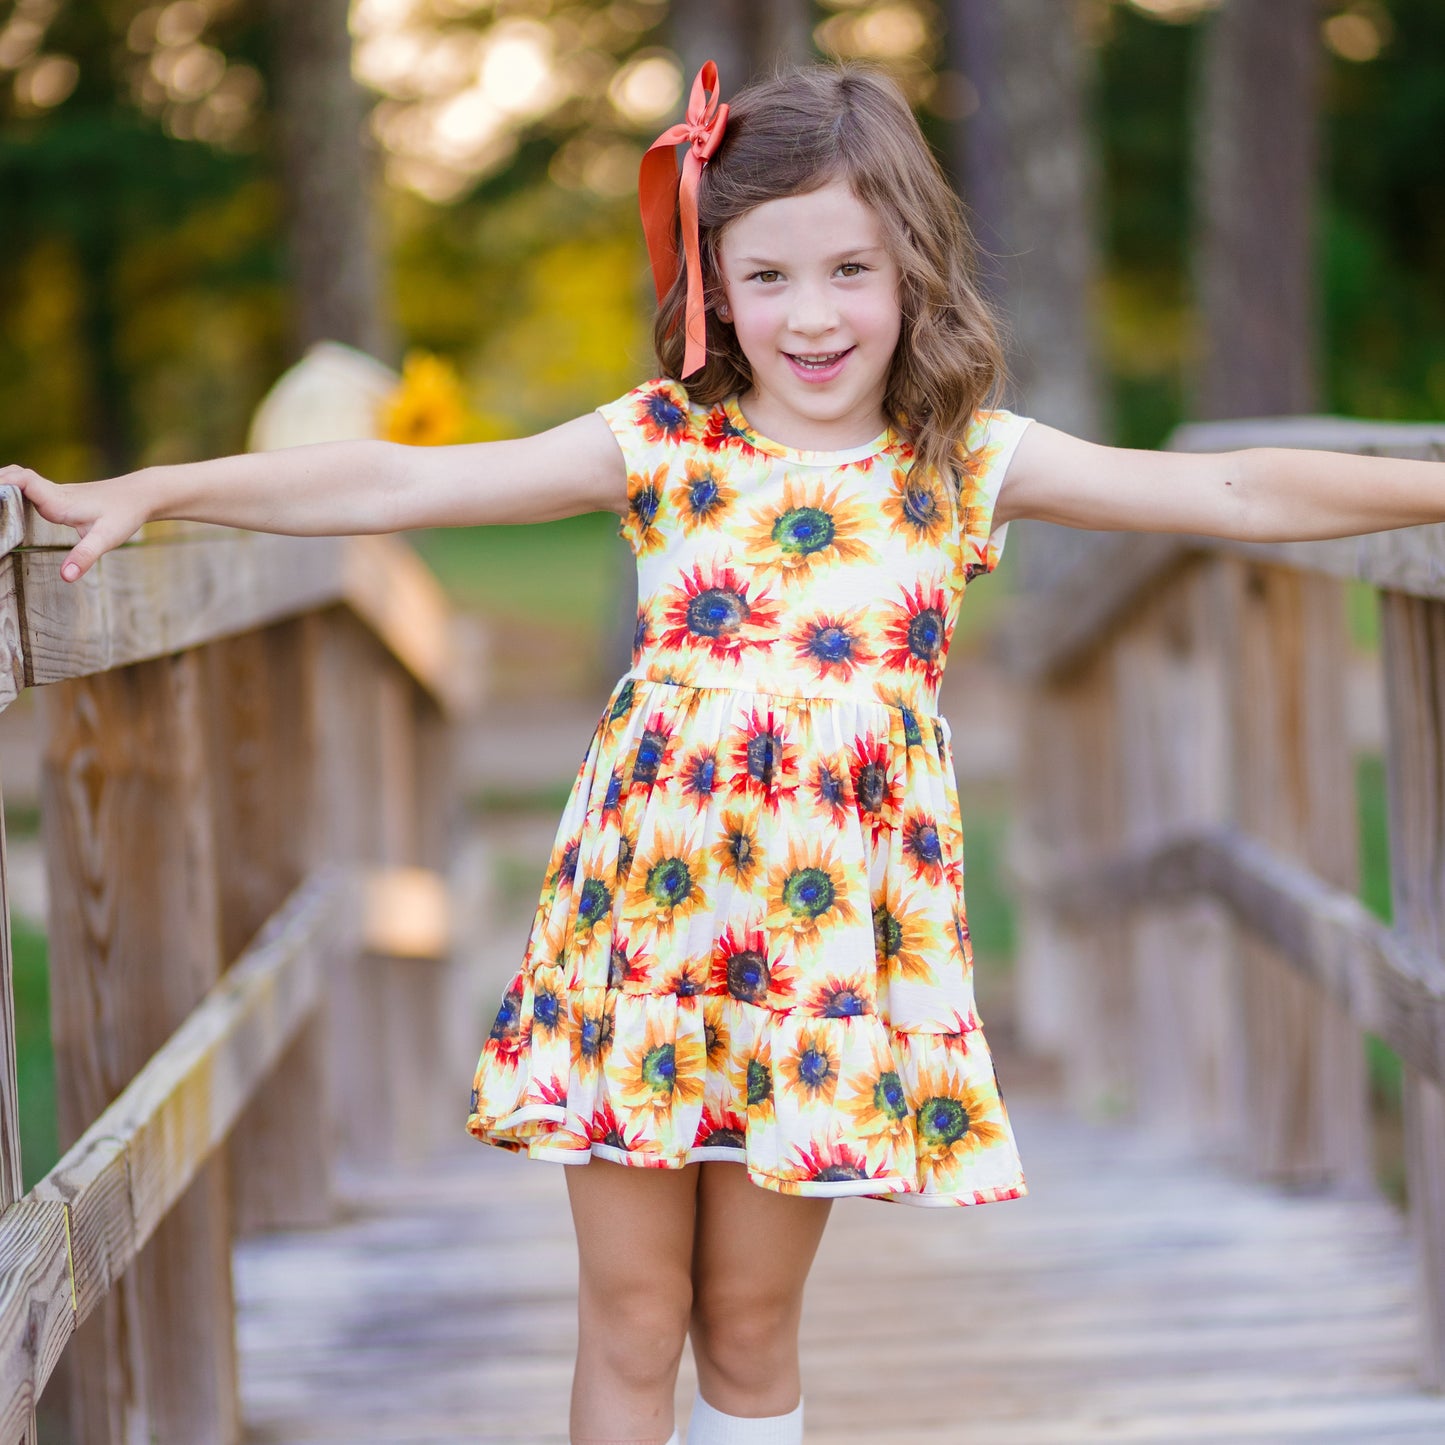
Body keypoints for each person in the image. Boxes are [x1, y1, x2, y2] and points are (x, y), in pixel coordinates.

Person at [6, 55, 1443, 1445]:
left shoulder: (961, 463)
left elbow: (1243, 489)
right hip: (642, 939)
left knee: (749, 1329)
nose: (810, 316)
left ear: (911, 276)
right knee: (630, 1316)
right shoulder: (660, 445)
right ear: (713, 288)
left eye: (847, 273)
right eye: (765, 276)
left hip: (814, 965)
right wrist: (154, 485)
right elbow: (397, 473)